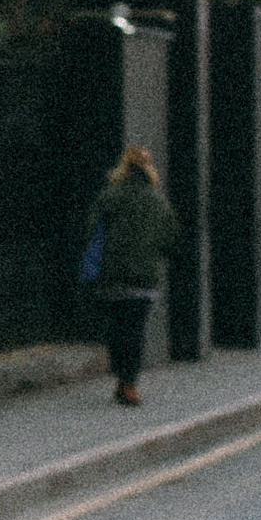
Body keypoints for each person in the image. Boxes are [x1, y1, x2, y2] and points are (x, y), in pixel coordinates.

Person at [84, 141, 178, 404]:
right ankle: (128, 383)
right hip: (144, 280)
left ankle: (122, 378)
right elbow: (171, 240)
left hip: (112, 278)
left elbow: (91, 232)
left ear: (123, 167)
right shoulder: (159, 202)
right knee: (135, 330)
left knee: (117, 328)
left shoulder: (109, 196)